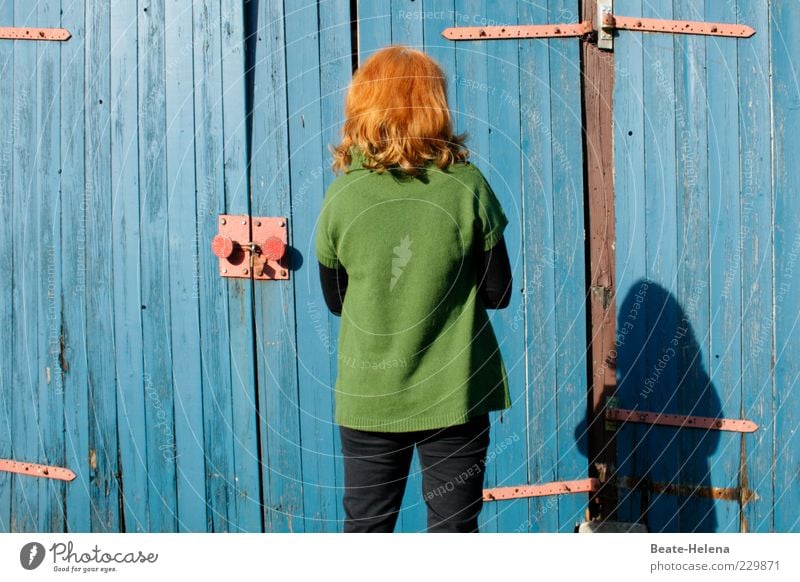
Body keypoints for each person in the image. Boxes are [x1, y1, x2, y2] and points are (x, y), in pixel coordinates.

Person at [315, 45, 513, 533]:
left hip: (369, 399)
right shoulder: (467, 186)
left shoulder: (342, 195)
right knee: (453, 533)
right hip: (454, 395)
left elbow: (336, 302)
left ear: (363, 106)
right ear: (433, 105)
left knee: (367, 532)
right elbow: (499, 292)